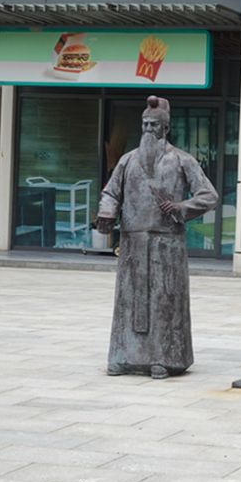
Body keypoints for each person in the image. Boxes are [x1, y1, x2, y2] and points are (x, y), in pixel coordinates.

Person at [96, 96, 218, 379]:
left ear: (166, 128)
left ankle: (164, 358)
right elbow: (111, 192)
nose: (148, 129)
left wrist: (180, 207)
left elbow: (209, 195)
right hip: (132, 243)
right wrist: (107, 212)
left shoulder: (182, 160)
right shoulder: (127, 160)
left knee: (165, 301)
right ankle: (123, 356)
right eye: (145, 124)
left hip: (167, 244)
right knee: (128, 301)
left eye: (154, 125)